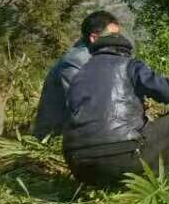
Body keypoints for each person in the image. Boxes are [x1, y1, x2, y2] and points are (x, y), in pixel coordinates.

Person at [62, 29, 169, 188]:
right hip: (121, 157)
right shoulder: (129, 65)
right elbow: (167, 91)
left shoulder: (78, 76)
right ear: (125, 52)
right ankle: (155, 182)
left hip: (79, 165)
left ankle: (104, 184)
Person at [31, 10, 120, 139]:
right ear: (94, 38)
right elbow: (81, 107)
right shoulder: (76, 61)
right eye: (113, 36)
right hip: (58, 137)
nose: (118, 40)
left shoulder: (97, 54)